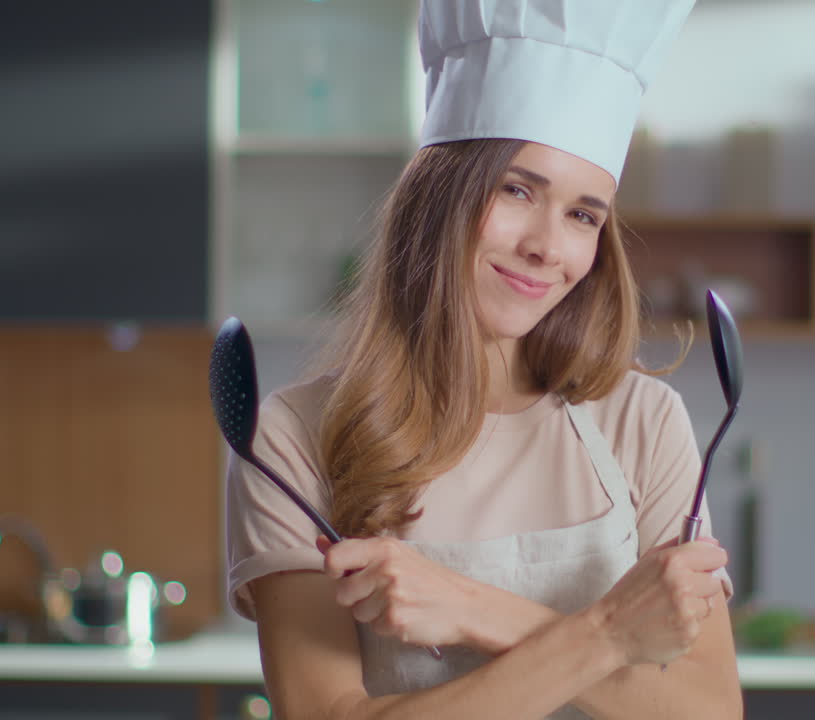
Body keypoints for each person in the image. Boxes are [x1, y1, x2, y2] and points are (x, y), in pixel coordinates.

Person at [226, 1, 742, 718]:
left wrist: (473, 609)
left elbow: (709, 710)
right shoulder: (294, 437)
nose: (547, 247)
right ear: (438, 197)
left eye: (583, 215)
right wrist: (605, 636)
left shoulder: (643, 422)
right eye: (517, 190)